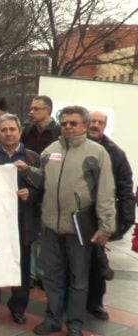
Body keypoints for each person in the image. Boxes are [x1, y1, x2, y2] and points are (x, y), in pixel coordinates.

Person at [19, 106, 115, 336]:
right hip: (51, 226)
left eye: (73, 123)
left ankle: (74, 325)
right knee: (51, 276)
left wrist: (106, 227)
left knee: (78, 280)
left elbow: (105, 192)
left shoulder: (97, 153)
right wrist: (26, 171)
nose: (68, 127)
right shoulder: (51, 150)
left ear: (84, 125)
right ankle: (53, 319)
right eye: (64, 123)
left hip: (80, 229)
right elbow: (43, 181)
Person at [0, 113, 41, 325]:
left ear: (19, 132)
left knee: (20, 267)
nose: (8, 133)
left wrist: (31, 195)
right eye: (4, 130)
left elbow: (44, 188)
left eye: (12, 129)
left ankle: (18, 307)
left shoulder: (32, 158)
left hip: (22, 221)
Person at [85, 110, 135, 320]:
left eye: (100, 122)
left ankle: (95, 303)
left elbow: (125, 187)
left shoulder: (115, 153)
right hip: (75, 217)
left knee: (97, 264)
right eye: (93, 121)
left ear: (105, 126)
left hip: (99, 217)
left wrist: (125, 220)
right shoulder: (73, 147)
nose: (95, 125)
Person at [21, 95, 61, 289]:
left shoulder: (58, 133)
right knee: (31, 232)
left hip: (51, 189)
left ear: (48, 111)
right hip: (30, 186)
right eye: (31, 108)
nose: (32, 112)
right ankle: (31, 274)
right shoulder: (27, 132)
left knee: (46, 235)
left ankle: (44, 275)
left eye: (36, 109)